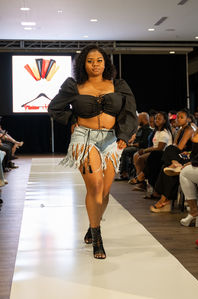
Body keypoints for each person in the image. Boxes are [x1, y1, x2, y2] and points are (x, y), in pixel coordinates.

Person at [48, 44, 137, 259]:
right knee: (95, 185)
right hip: (84, 137)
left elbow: (129, 111)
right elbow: (54, 108)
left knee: (105, 192)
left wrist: (124, 135)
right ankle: (97, 237)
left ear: (105, 62)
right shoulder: (74, 85)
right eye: (90, 61)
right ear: (82, 64)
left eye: (99, 60)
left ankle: (92, 224)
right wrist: (71, 120)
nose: (95, 64)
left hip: (112, 140)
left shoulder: (118, 85)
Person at [115, 112, 152, 181]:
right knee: (122, 148)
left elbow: (143, 143)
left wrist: (131, 145)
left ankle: (124, 173)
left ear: (143, 119)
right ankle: (123, 171)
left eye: (138, 119)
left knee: (125, 151)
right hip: (135, 147)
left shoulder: (147, 130)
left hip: (141, 148)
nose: (137, 120)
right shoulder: (141, 129)